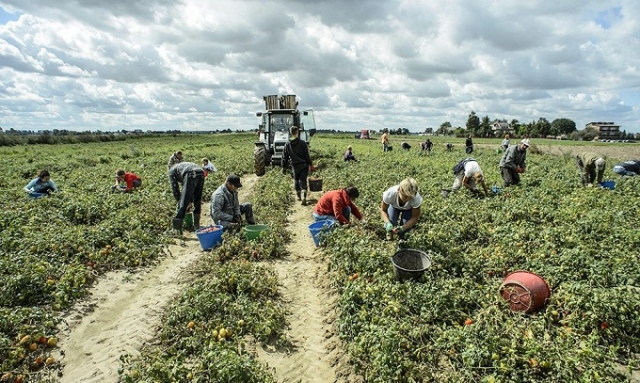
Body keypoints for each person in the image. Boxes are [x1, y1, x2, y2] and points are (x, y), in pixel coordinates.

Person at [168, 162, 205, 233]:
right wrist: (190, 201)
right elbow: (188, 188)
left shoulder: (171, 172)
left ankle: (177, 229)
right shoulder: (181, 167)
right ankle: (196, 225)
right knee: (197, 199)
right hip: (201, 172)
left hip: (191, 173)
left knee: (183, 201)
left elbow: (175, 189)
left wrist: (180, 201)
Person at [282, 125, 314, 205]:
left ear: (290, 133)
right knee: (302, 180)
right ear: (297, 133)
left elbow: (284, 157)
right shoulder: (302, 143)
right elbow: (307, 155)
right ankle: (303, 192)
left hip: (295, 165)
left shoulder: (287, 144)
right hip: (304, 165)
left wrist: (283, 167)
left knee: (296, 180)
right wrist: (310, 164)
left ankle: (299, 196)